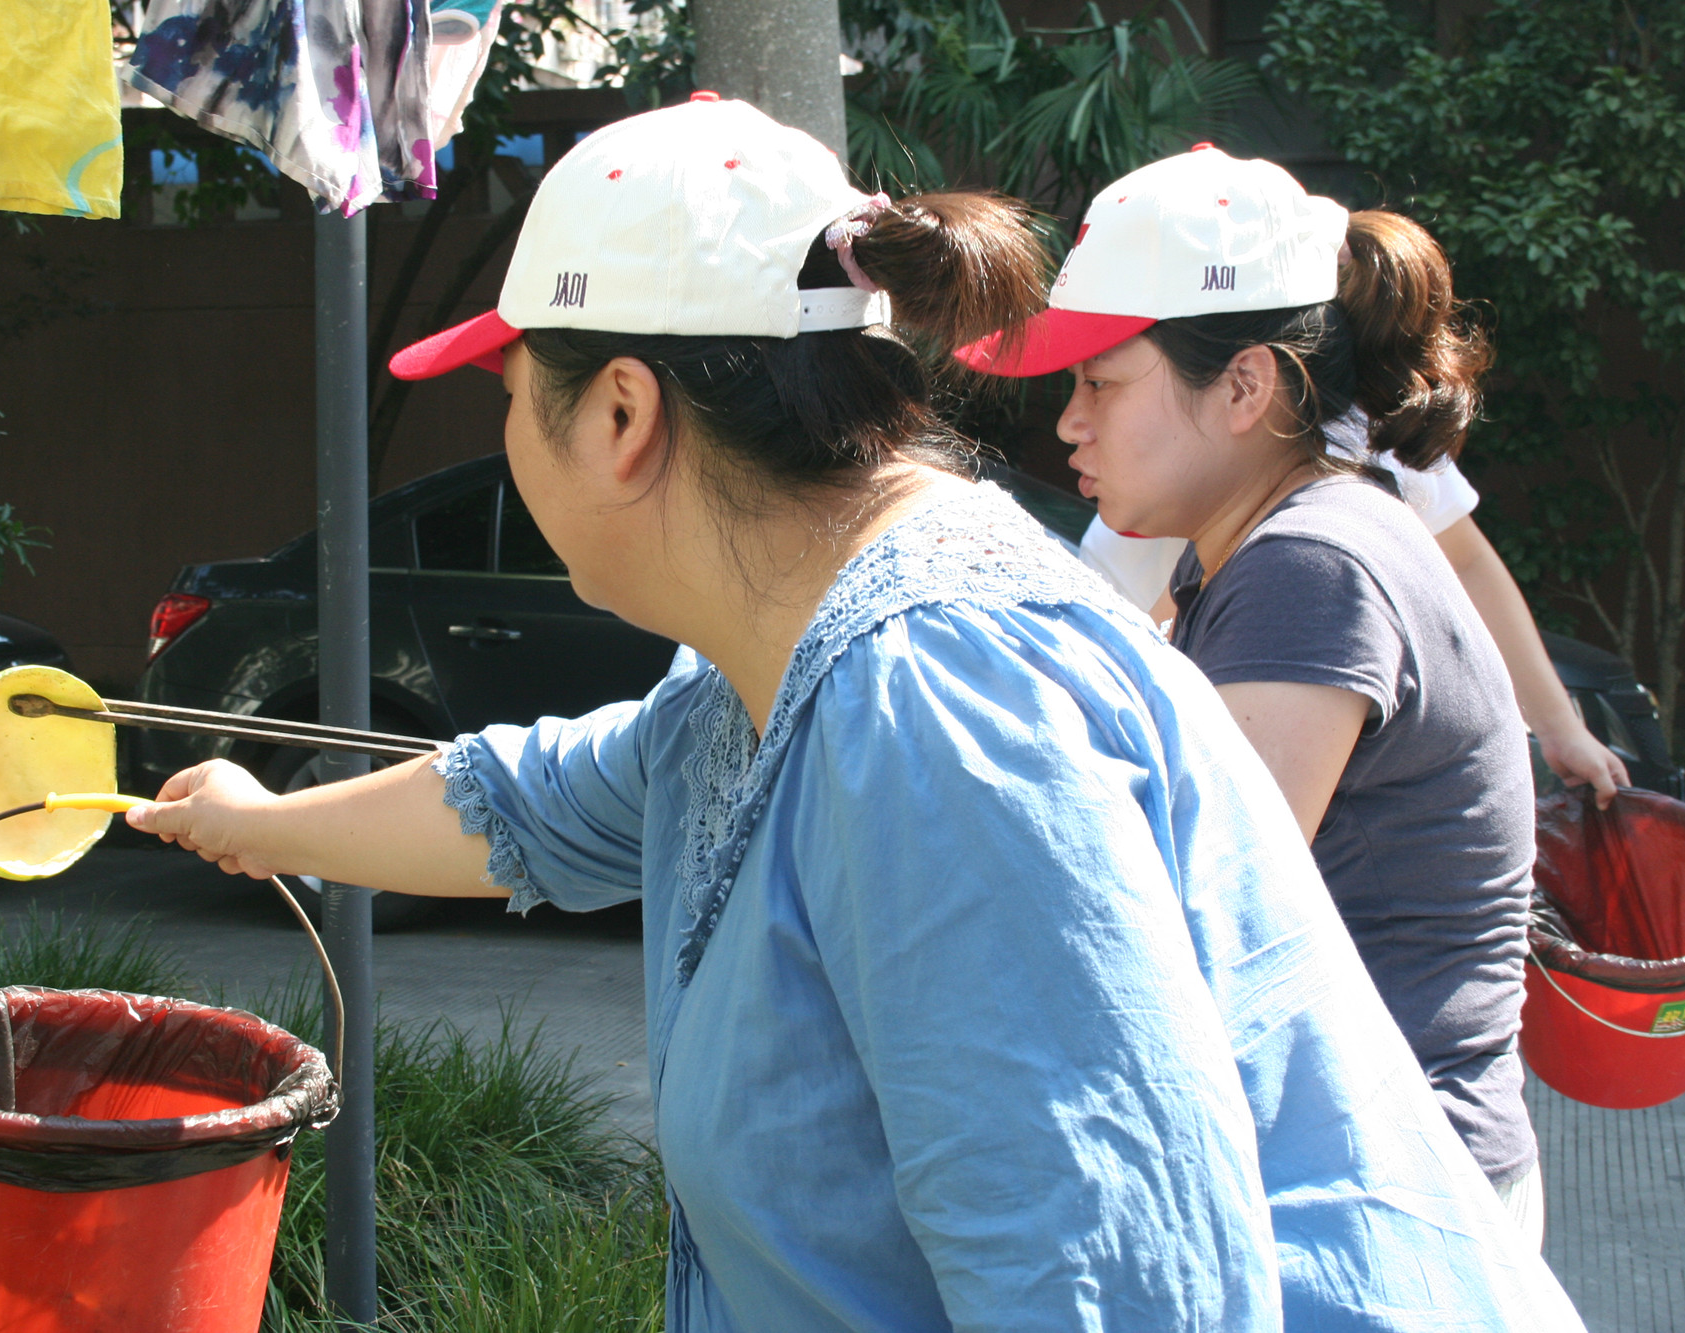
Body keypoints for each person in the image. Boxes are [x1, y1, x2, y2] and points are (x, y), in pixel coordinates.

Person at [130, 101, 1577, 1329]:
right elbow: (536, 802)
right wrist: (259, 823)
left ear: (622, 414)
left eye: (510, 391)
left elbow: (1107, 1290)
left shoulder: (937, 709)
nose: (504, 436)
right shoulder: (765, 666)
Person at [962, 145, 1548, 1243]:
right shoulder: (1259, 549)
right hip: (1363, 1176)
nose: (1068, 422)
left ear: (1245, 385)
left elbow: (1192, 911)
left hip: (1392, 1208)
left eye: (1100, 382)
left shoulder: (1306, 570)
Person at [1078, 423, 1629, 807]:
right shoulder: (1120, 537)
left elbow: (1467, 562)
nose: (1072, 424)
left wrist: (1562, 730)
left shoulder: (1363, 456)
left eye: (1103, 383)